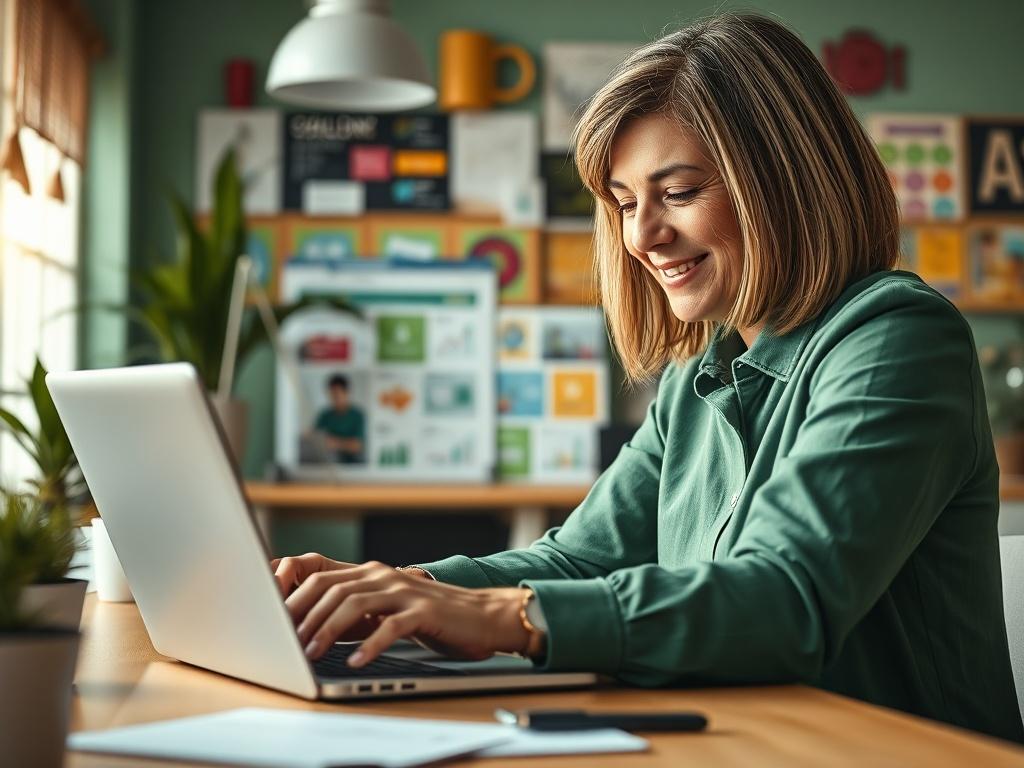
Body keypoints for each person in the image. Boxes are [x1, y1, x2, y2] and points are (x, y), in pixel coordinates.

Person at [271, 13, 1023, 742]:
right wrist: (394, 592)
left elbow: (785, 598)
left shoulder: (898, 337)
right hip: (746, 739)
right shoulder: (700, 374)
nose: (640, 236)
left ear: (784, 182)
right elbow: (583, 558)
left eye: (679, 192)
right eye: (626, 204)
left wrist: (509, 615)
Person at [313, 374, 365, 464]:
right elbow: (315, 438)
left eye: (336, 394)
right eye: (331, 394)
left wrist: (336, 444)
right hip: (328, 460)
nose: (333, 398)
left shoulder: (358, 415)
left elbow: (357, 446)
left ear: (346, 393)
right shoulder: (325, 415)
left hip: (352, 463)